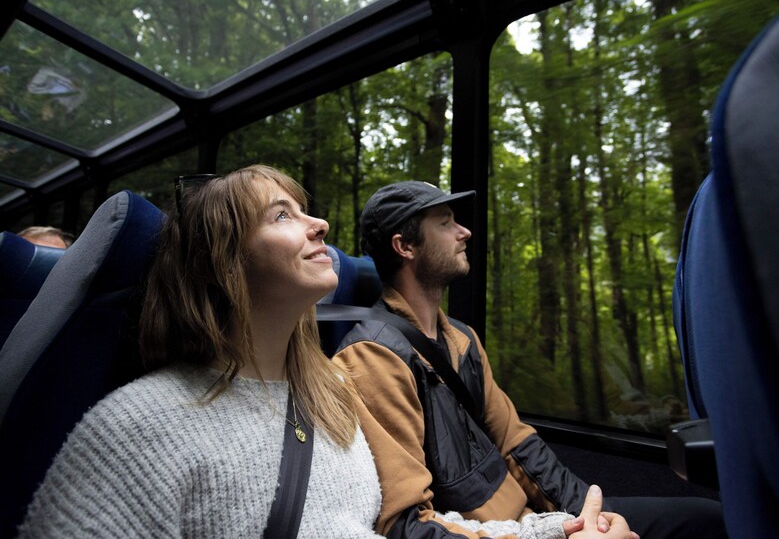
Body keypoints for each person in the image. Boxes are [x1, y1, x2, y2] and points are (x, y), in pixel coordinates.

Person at [333, 180, 727, 539]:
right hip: (495, 533)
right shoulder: (372, 358)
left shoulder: (462, 338)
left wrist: (590, 516)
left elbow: (517, 444)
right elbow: (406, 526)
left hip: (538, 519)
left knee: (708, 519)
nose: (464, 231)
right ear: (406, 246)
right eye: (445, 222)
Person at [17, 165, 382, 538]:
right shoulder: (137, 429)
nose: (320, 223)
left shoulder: (333, 389)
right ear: (219, 263)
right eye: (282, 215)